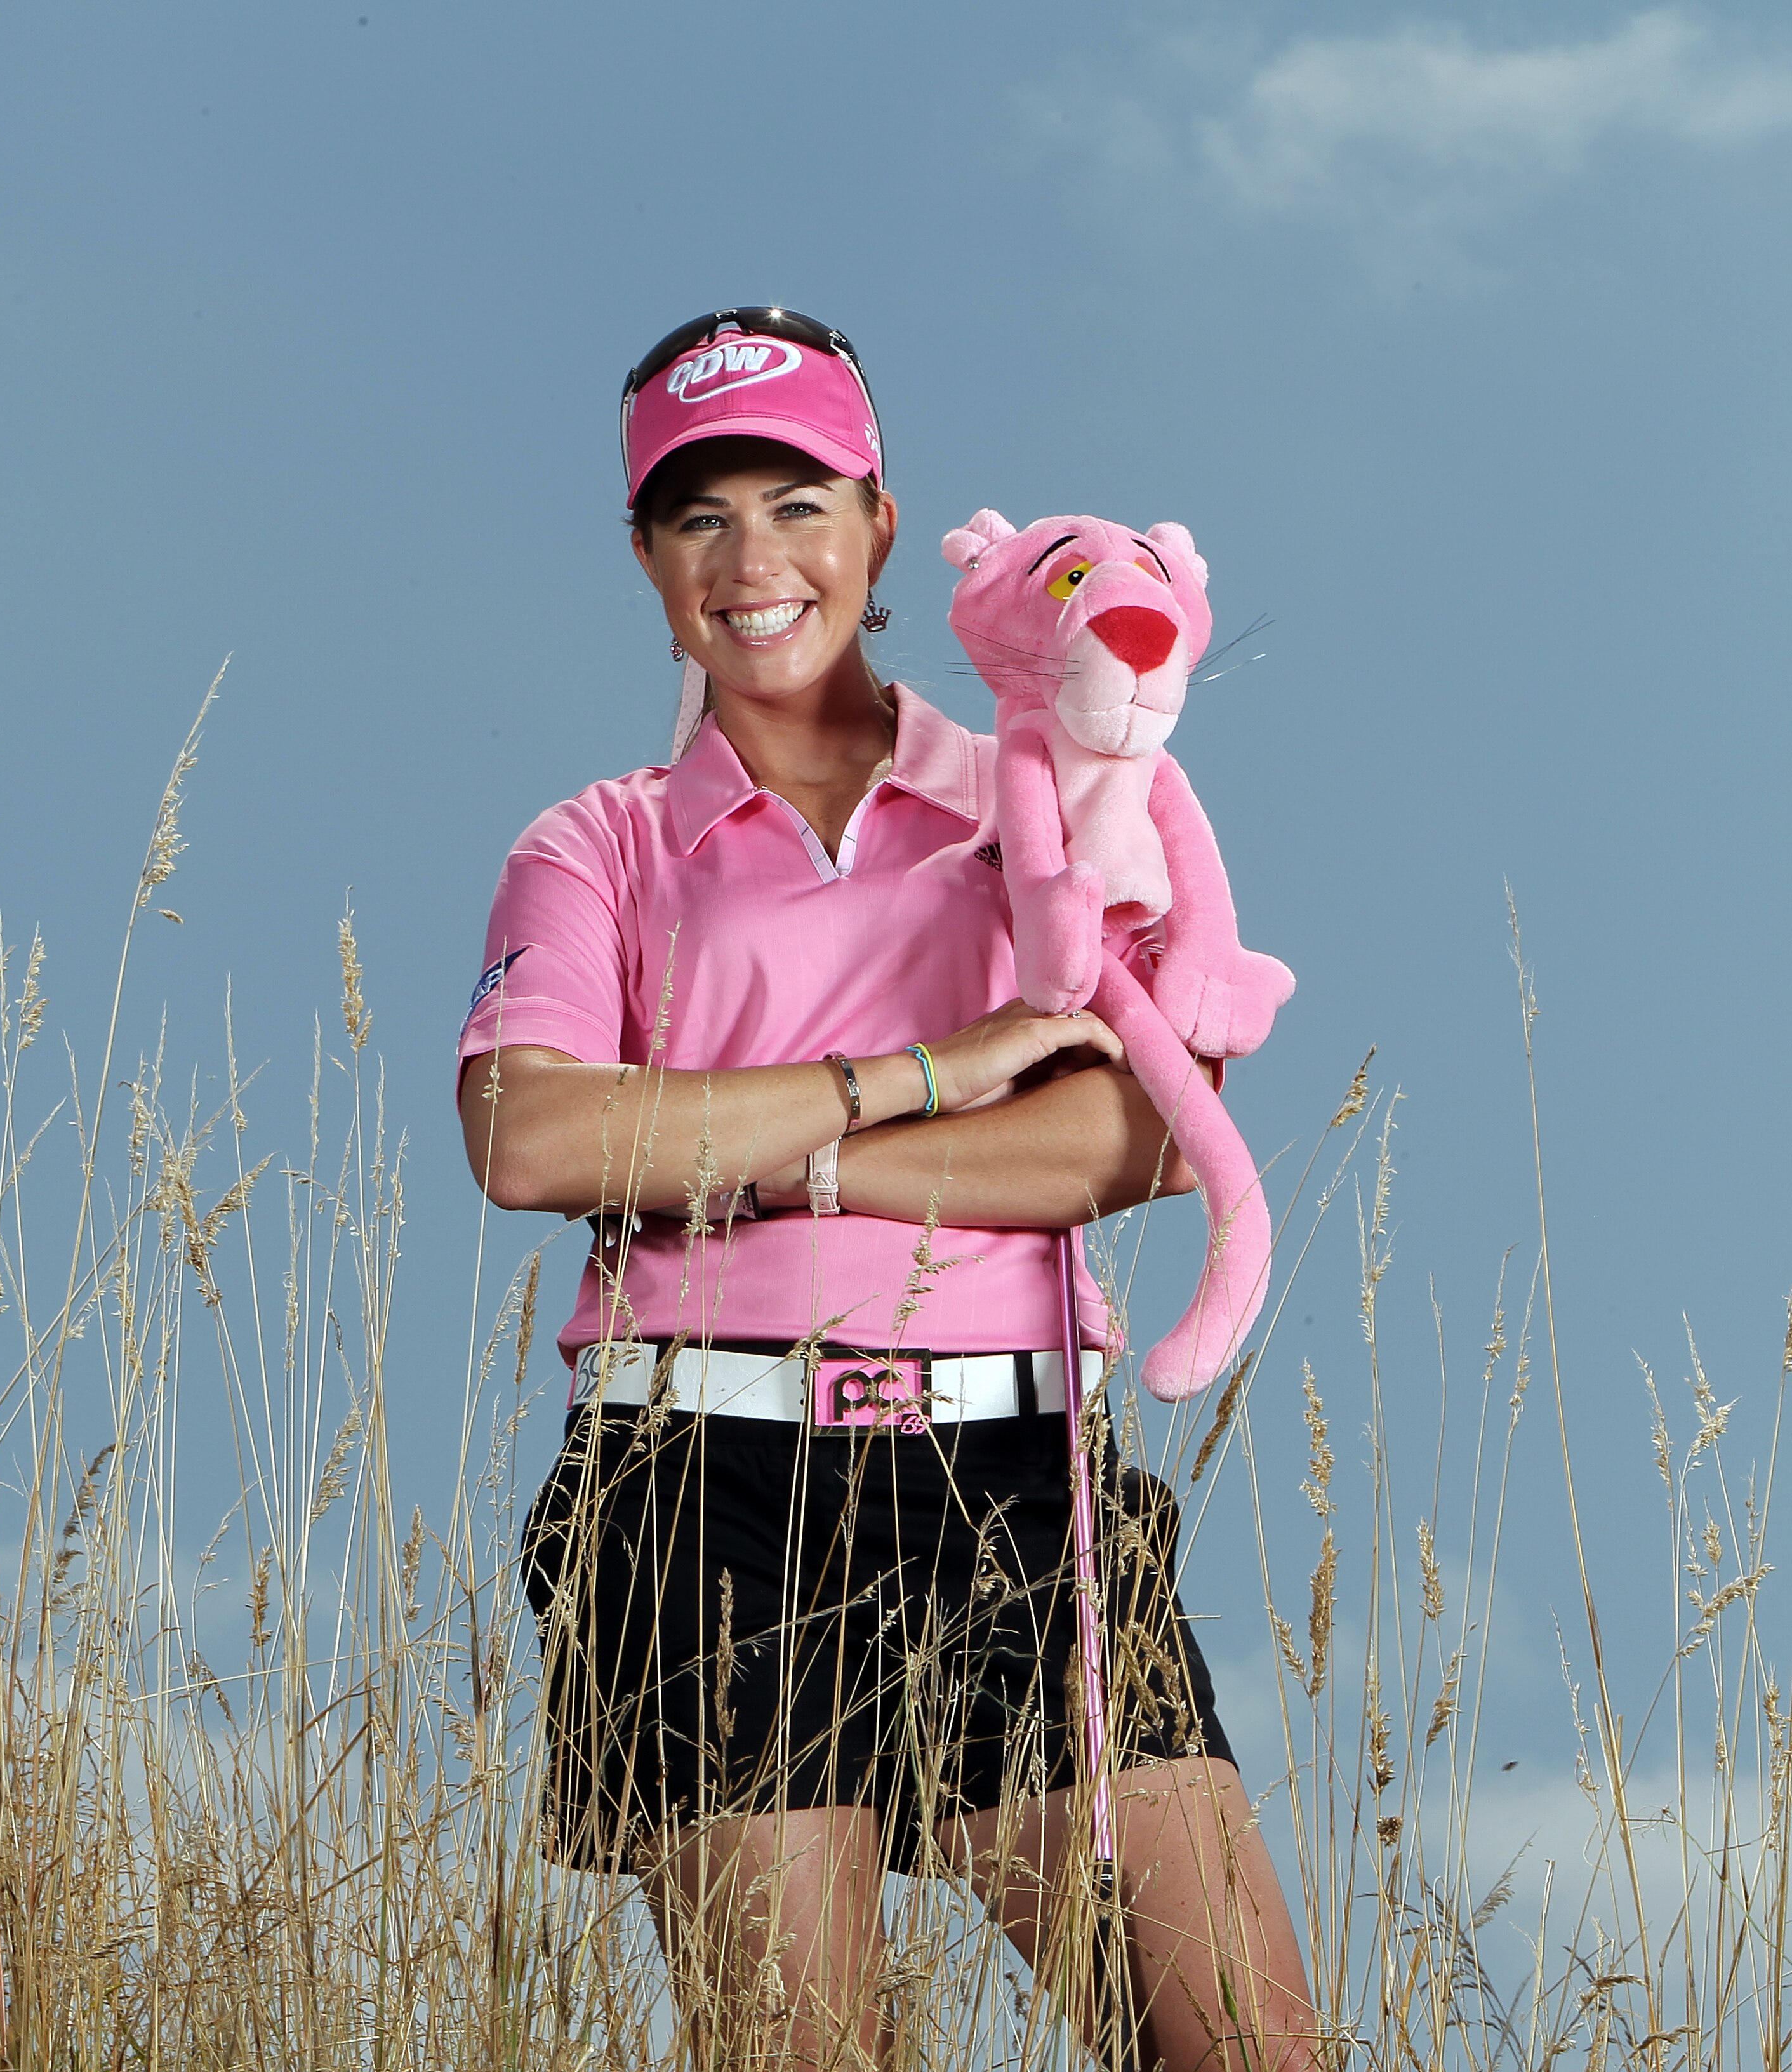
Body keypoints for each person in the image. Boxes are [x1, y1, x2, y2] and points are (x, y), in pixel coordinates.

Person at [458, 308, 1321, 2069]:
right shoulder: (594, 845)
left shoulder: (1058, 787)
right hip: (705, 1492)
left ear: (878, 521)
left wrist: (764, 1164)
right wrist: (934, 1074)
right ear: (643, 557)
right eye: (699, 518)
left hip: (1020, 1479)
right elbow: (532, 1142)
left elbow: (1135, 1139)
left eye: (796, 503)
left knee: (1248, 2050)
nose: (753, 560)